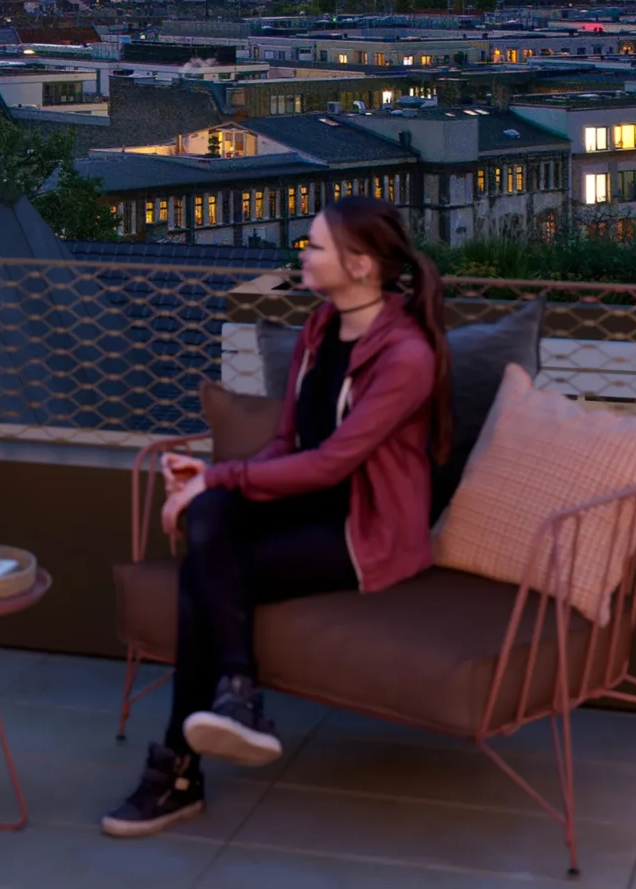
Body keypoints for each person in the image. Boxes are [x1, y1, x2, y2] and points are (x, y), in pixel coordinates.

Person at [104, 195, 449, 838]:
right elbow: (290, 441)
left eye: (315, 246)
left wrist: (218, 475)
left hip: (361, 531)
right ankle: (239, 692)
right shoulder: (321, 326)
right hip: (304, 504)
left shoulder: (406, 357)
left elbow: (333, 464)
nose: (304, 254)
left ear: (362, 265)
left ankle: (178, 772)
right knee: (208, 520)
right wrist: (212, 482)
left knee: (199, 576)